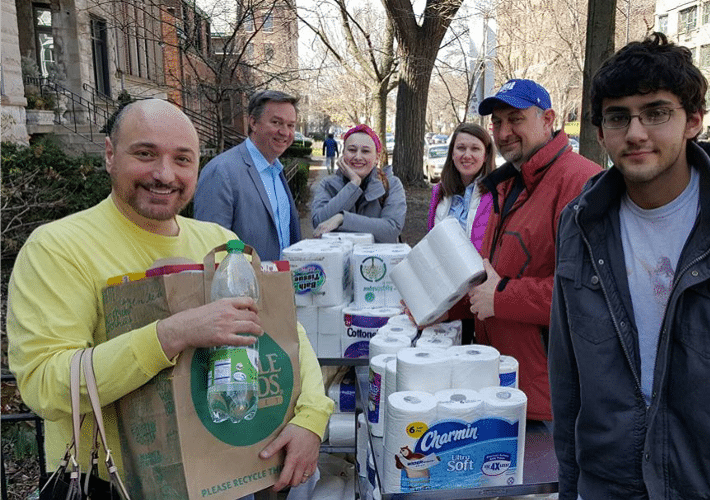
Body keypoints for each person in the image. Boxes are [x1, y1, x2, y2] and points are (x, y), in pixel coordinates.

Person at [6, 99, 333, 494]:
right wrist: (169, 334)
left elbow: (286, 334)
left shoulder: (221, 244)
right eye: (145, 154)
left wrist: (311, 418)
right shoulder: (58, 248)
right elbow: (45, 385)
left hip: (222, 477)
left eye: (182, 159)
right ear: (110, 154)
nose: (164, 174)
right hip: (108, 483)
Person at [549, 33, 710, 498]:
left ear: (693, 120)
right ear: (600, 133)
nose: (636, 133)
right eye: (619, 117)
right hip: (611, 483)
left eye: (656, 113)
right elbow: (568, 377)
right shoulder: (579, 223)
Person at [470, 79, 601, 422]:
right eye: (497, 123)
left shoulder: (580, 182)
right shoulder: (509, 182)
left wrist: (501, 297)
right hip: (504, 380)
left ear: (548, 120)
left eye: (515, 119)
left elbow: (589, 293)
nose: (503, 132)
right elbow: (491, 275)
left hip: (548, 399)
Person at [194, 90, 301, 261]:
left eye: (291, 125)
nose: (285, 132)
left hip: (282, 284)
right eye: (276, 122)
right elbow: (210, 250)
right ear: (253, 122)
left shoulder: (276, 170)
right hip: (244, 286)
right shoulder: (221, 172)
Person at [422, 123, 495, 343]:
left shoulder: (495, 194)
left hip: (476, 297)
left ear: (486, 155)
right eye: (461, 148)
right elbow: (430, 240)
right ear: (452, 152)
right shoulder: (440, 192)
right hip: (443, 293)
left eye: (475, 149)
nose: (467, 155)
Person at [311, 124, 406, 243]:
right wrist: (354, 184)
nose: (358, 156)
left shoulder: (392, 184)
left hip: (377, 260)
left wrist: (343, 219)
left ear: (377, 158)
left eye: (365, 151)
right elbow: (319, 223)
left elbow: (391, 230)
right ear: (343, 153)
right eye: (352, 150)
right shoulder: (327, 184)